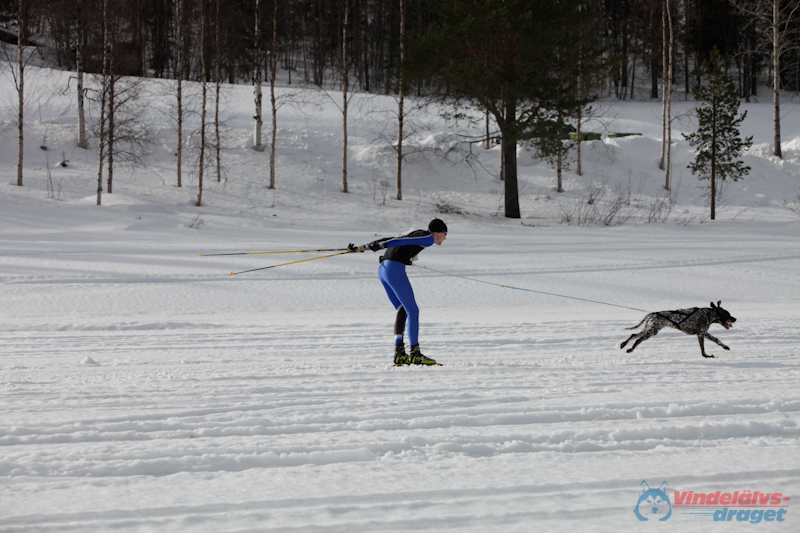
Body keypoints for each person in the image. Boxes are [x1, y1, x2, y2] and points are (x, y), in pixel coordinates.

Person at [349, 218, 448, 365]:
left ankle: (400, 353)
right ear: (439, 232)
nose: (445, 238)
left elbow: (396, 239)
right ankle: (415, 354)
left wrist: (364, 247)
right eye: (445, 234)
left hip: (383, 269)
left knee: (403, 309)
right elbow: (399, 241)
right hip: (394, 269)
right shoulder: (427, 238)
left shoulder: (416, 233)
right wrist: (383, 245)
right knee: (413, 311)